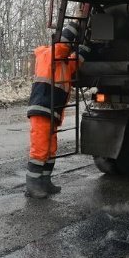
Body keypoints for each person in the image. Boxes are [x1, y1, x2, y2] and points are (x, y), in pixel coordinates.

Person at [25, 21, 89, 199]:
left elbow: (76, 61)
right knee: (40, 148)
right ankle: (32, 186)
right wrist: (74, 27)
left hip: (52, 111)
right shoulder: (48, 54)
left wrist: (87, 46)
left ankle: (45, 181)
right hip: (42, 108)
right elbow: (61, 48)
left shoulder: (63, 63)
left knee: (50, 148)